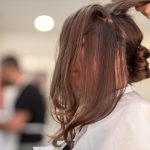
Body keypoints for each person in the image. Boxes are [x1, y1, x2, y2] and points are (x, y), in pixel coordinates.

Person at [47, 0, 150, 149]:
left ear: (116, 54)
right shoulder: (96, 113)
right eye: (67, 48)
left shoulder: (134, 115)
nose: (67, 59)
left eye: (82, 45)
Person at [1, 56, 46, 150]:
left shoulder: (29, 91)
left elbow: (15, 125)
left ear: (9, 70)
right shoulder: (21, 91)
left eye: (3, 73)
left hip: (29, 146)